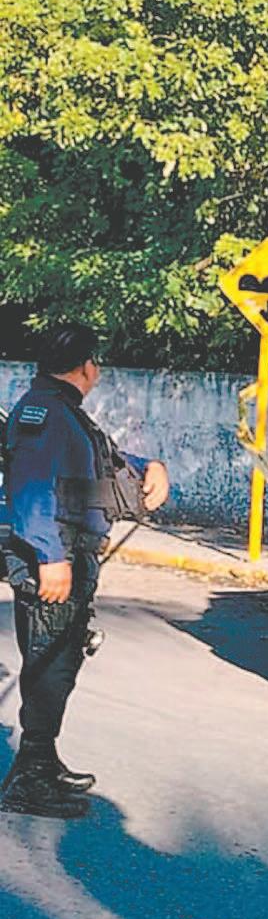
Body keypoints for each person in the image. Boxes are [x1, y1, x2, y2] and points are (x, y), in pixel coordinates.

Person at [0, 324, 169, 818]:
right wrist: (50, 558)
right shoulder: (43, 412)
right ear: (86, 367)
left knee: (61, 661)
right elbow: (30, 487)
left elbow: (105, 461)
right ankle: (29, 781)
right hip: (53, 559)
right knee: (49, 664)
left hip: (73, 555)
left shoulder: (66, 413)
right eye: (96, 362)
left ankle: (41, 760)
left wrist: (152, 466)